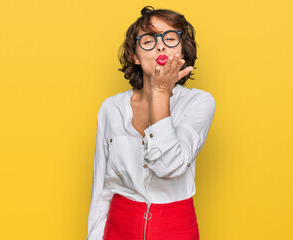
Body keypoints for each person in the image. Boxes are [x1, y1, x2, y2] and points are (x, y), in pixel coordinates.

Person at [87, 6, 216, 240]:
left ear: (182, 51)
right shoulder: (111, 108)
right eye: (148, 39)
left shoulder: (199, 103)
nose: (160, 46)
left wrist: (160, 91)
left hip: (176, 229)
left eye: (170, 38)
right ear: (135, 55)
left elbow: (168, 167)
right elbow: (101, 189)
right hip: (118, 229)